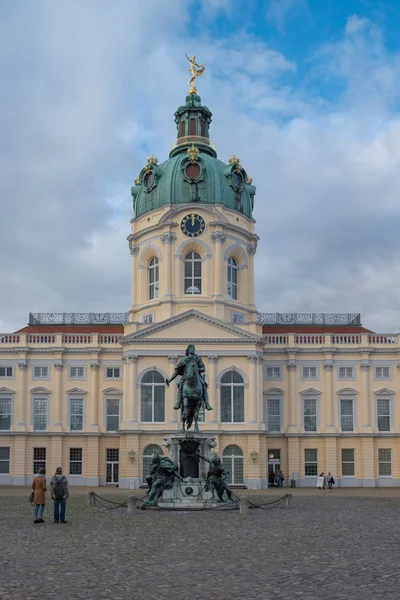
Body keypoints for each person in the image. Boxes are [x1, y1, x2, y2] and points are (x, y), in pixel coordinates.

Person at [167, 344, 212, 411]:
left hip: (197, 377)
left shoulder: (197, 358)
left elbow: (203, 369)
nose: (193, 349)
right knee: (181, 386)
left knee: (204, 386)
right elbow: (177, 371)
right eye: (191, 348)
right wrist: (170, 380)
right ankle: (178, 402)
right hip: (186, 377)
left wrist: (198, 369)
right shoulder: (184, 359)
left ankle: (207, 404)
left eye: (194, 348)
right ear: (188, 350)